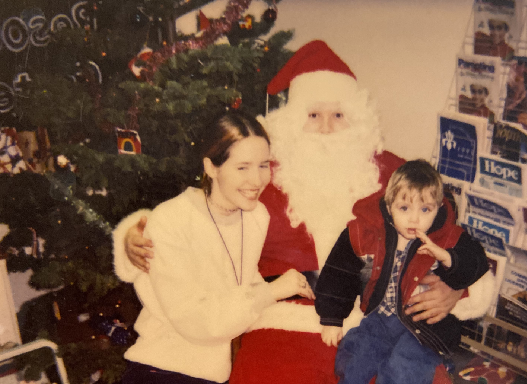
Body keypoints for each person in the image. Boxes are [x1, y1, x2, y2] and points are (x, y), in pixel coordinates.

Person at [116, 41, 495, 384]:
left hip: (378, 320)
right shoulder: (263, 172)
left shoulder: (395, 175)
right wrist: (139, 234)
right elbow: (204, 208)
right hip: (284, 323)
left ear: (358, 120)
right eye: (313, 116)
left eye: (339, 116)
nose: (327, 129)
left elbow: (452, 236)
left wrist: (458, 288)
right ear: (293, 121)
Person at [113, 110, 315, 384]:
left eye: (263, 165)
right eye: (242, 167)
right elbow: (196, 321)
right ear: (211, 167)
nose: (257, 181)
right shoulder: (172, 220)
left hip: (213, 374)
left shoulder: (256, 217)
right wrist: (273, 290)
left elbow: (239, 285)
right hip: (161, 369)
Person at [315, 160, 489, 384]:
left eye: (425, 209)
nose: (414, 219)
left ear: (437, 210)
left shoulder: (447, 237)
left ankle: (420, 366)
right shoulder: (367, 231)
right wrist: (332, 316)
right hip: (380, 318)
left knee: (403, 369)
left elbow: (477, 260)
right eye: (404, 208)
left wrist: (447, 257)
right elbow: (339, 270)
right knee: (355, 360)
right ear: (389, 207)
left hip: (422, 329)